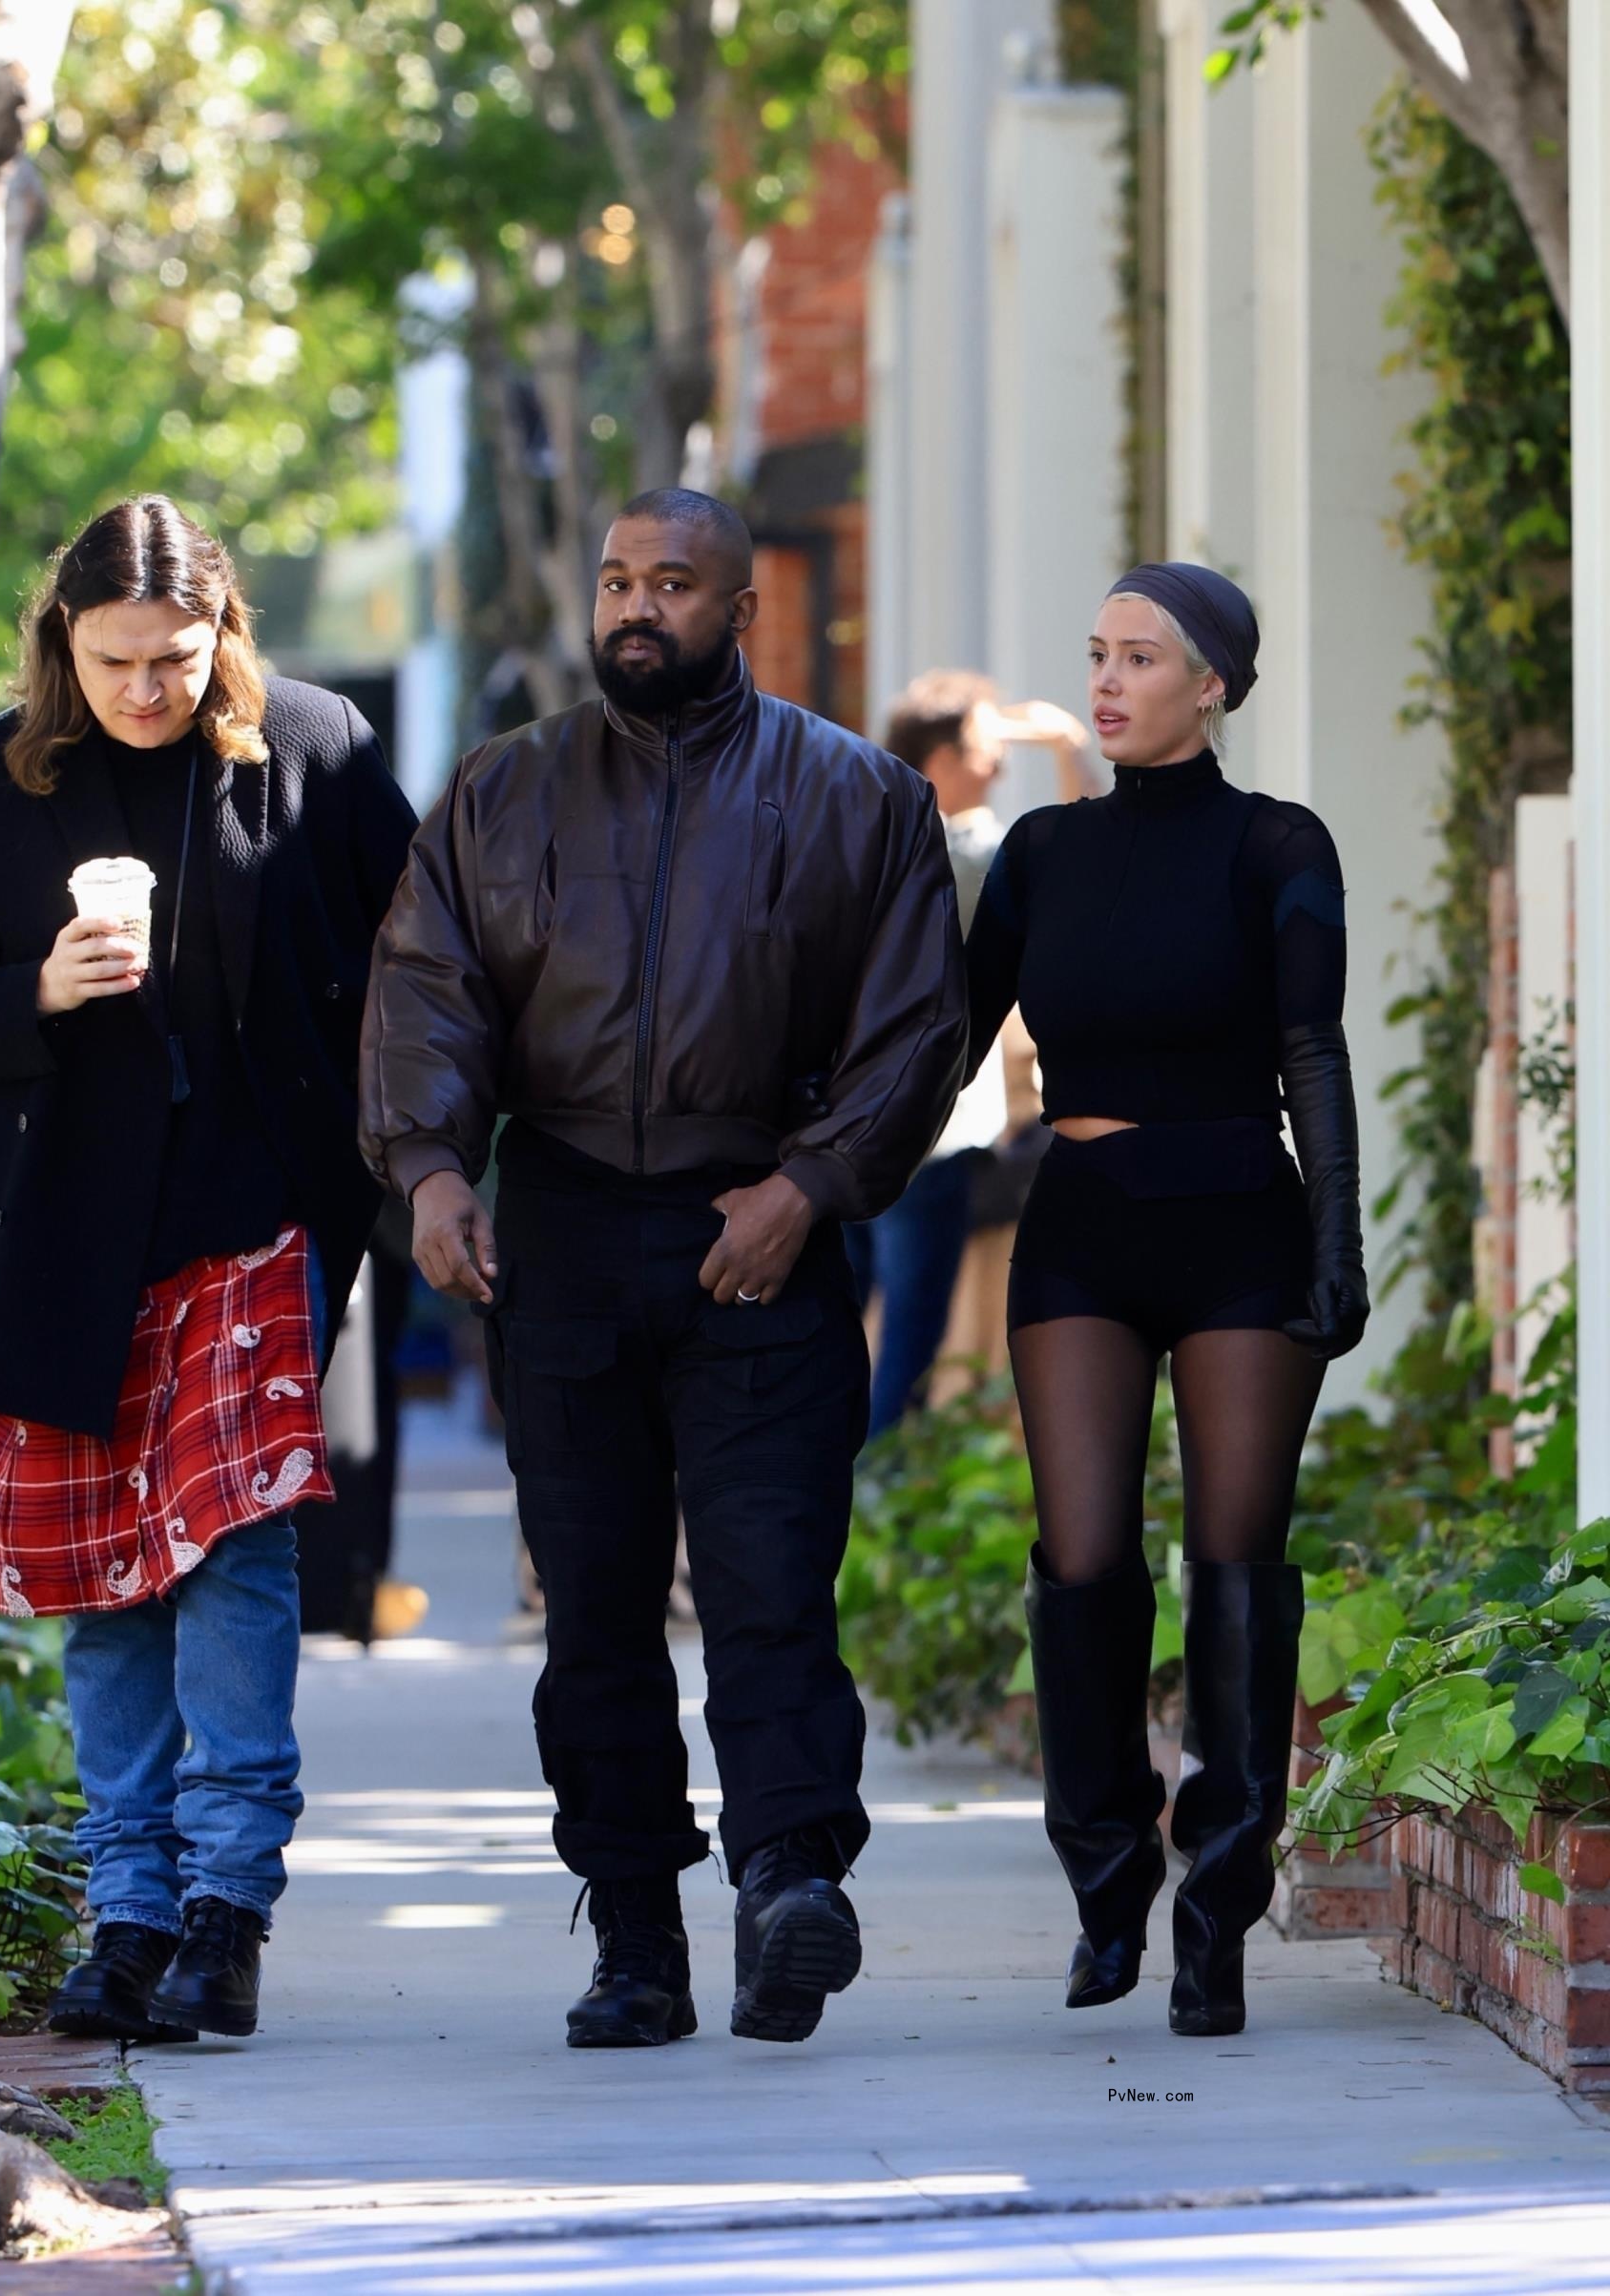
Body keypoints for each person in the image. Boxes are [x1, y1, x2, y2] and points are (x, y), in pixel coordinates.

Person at [362, 487, 967, 2051]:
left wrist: (811, 1187)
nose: (637, 606)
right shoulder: (504, 791)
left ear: (740, 606)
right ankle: (636, 1934)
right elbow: (429, 986)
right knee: (601, 1616)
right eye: (620, 579)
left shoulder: (860, 799)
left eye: (673, 583)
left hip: (760, 1228)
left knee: (770, 1590)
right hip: (560, 1232)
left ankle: (785, 1887)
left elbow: (915, 1031)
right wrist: (430, 1163)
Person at [0, 495, 415, 2044]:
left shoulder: (310, 746)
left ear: (224, 632)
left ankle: (226, 1911)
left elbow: (421, 947)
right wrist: (38, 986)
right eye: (114, 660)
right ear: (64, 642)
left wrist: (395, 1159)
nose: (145, 690)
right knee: (97, 1580)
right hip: (55, 1226)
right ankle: (125, 1914)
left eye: (175, 659)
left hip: (255, 1215)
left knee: (236, 1553)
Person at [962, 561, 1366, 2039]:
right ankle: (1106, 1869)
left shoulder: (1280, 846)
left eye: (1143, 657)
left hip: (1241, 1231)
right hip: (1080, 1225)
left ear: (1215, 684)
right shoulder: (1043, 852)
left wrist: (1342, 1240)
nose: (1110, 682)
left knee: (1236, 1562)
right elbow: (944, 1034)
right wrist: (823, 1175)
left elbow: (1311, 1052)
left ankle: (1217, 1910)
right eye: (1098, 654)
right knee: (1082, 1561)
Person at [847, 674, 1091, 1433]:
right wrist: (1069, 745)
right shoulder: (970, 850)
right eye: (988, 748)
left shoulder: (866, 840)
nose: (999, 765)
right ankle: (873, 1511)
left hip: (838, 1119)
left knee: (835, 1327)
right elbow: (1088, 877)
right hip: (924, 1134)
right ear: (942, 761)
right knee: (910, 1345)